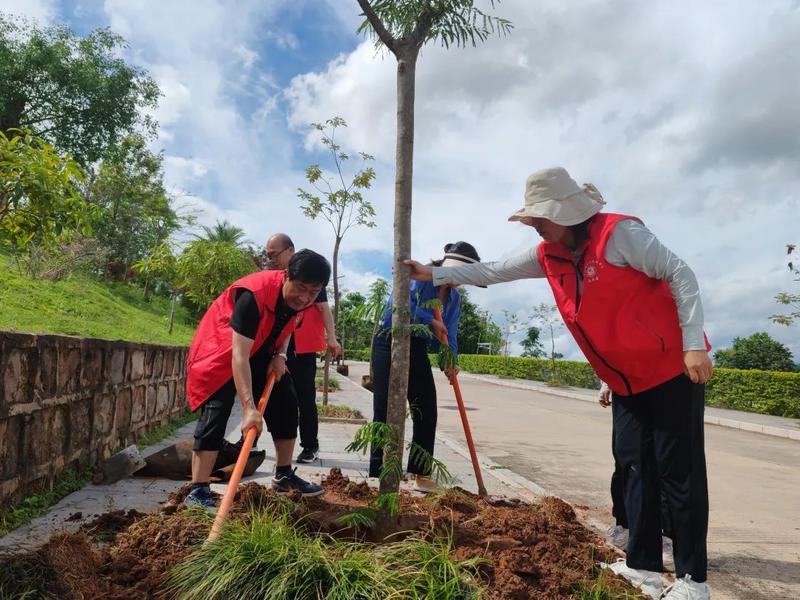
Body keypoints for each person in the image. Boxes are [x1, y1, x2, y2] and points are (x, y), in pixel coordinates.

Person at [404, 167, 713, 600]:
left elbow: (681, 273)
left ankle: (692, 581)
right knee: (634, 468)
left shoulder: (619, 235)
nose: (534, 225)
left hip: (669, 371)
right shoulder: (549, 253)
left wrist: (693, 343)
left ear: (567, 213)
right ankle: (642, 566)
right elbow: (493, 271)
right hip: (625, 383)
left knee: (678, 473)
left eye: (539, 217)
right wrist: (431, 275)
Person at [183, 249, 331, 509]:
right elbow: (238, 356)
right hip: (221, 350)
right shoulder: (253, 295)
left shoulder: (302, 302)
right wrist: (250, 409)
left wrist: (281, 356)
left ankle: (284, 475)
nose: (305, 297)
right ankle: (198, 490)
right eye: (301, 288)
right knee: (217, 411)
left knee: (286, 397)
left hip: (261, 347)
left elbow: (290, 326)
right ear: (286, 275)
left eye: (314, 291)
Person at [370, 241, 483, 493]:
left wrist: (449, 361)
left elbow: (450, 332)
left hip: (417, 346)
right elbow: (398, 306)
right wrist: (429, 320)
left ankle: (421, 473)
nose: (458, 281)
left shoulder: (453, 299)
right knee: (384, 410)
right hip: (390, 340)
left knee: (426, 410)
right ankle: (378, 473)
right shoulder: (420, 278)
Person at [263, 233, 342, 463]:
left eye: (274, 254)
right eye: (268, 255)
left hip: (302, 346)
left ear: (290, 251)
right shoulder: (273, 277)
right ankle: (250, 440)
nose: (271, 259)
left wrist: (332, 338)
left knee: (305, 398)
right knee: (267, 393)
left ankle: (310, 445)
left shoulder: (310, 273)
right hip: (275, 345)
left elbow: (323, 308)